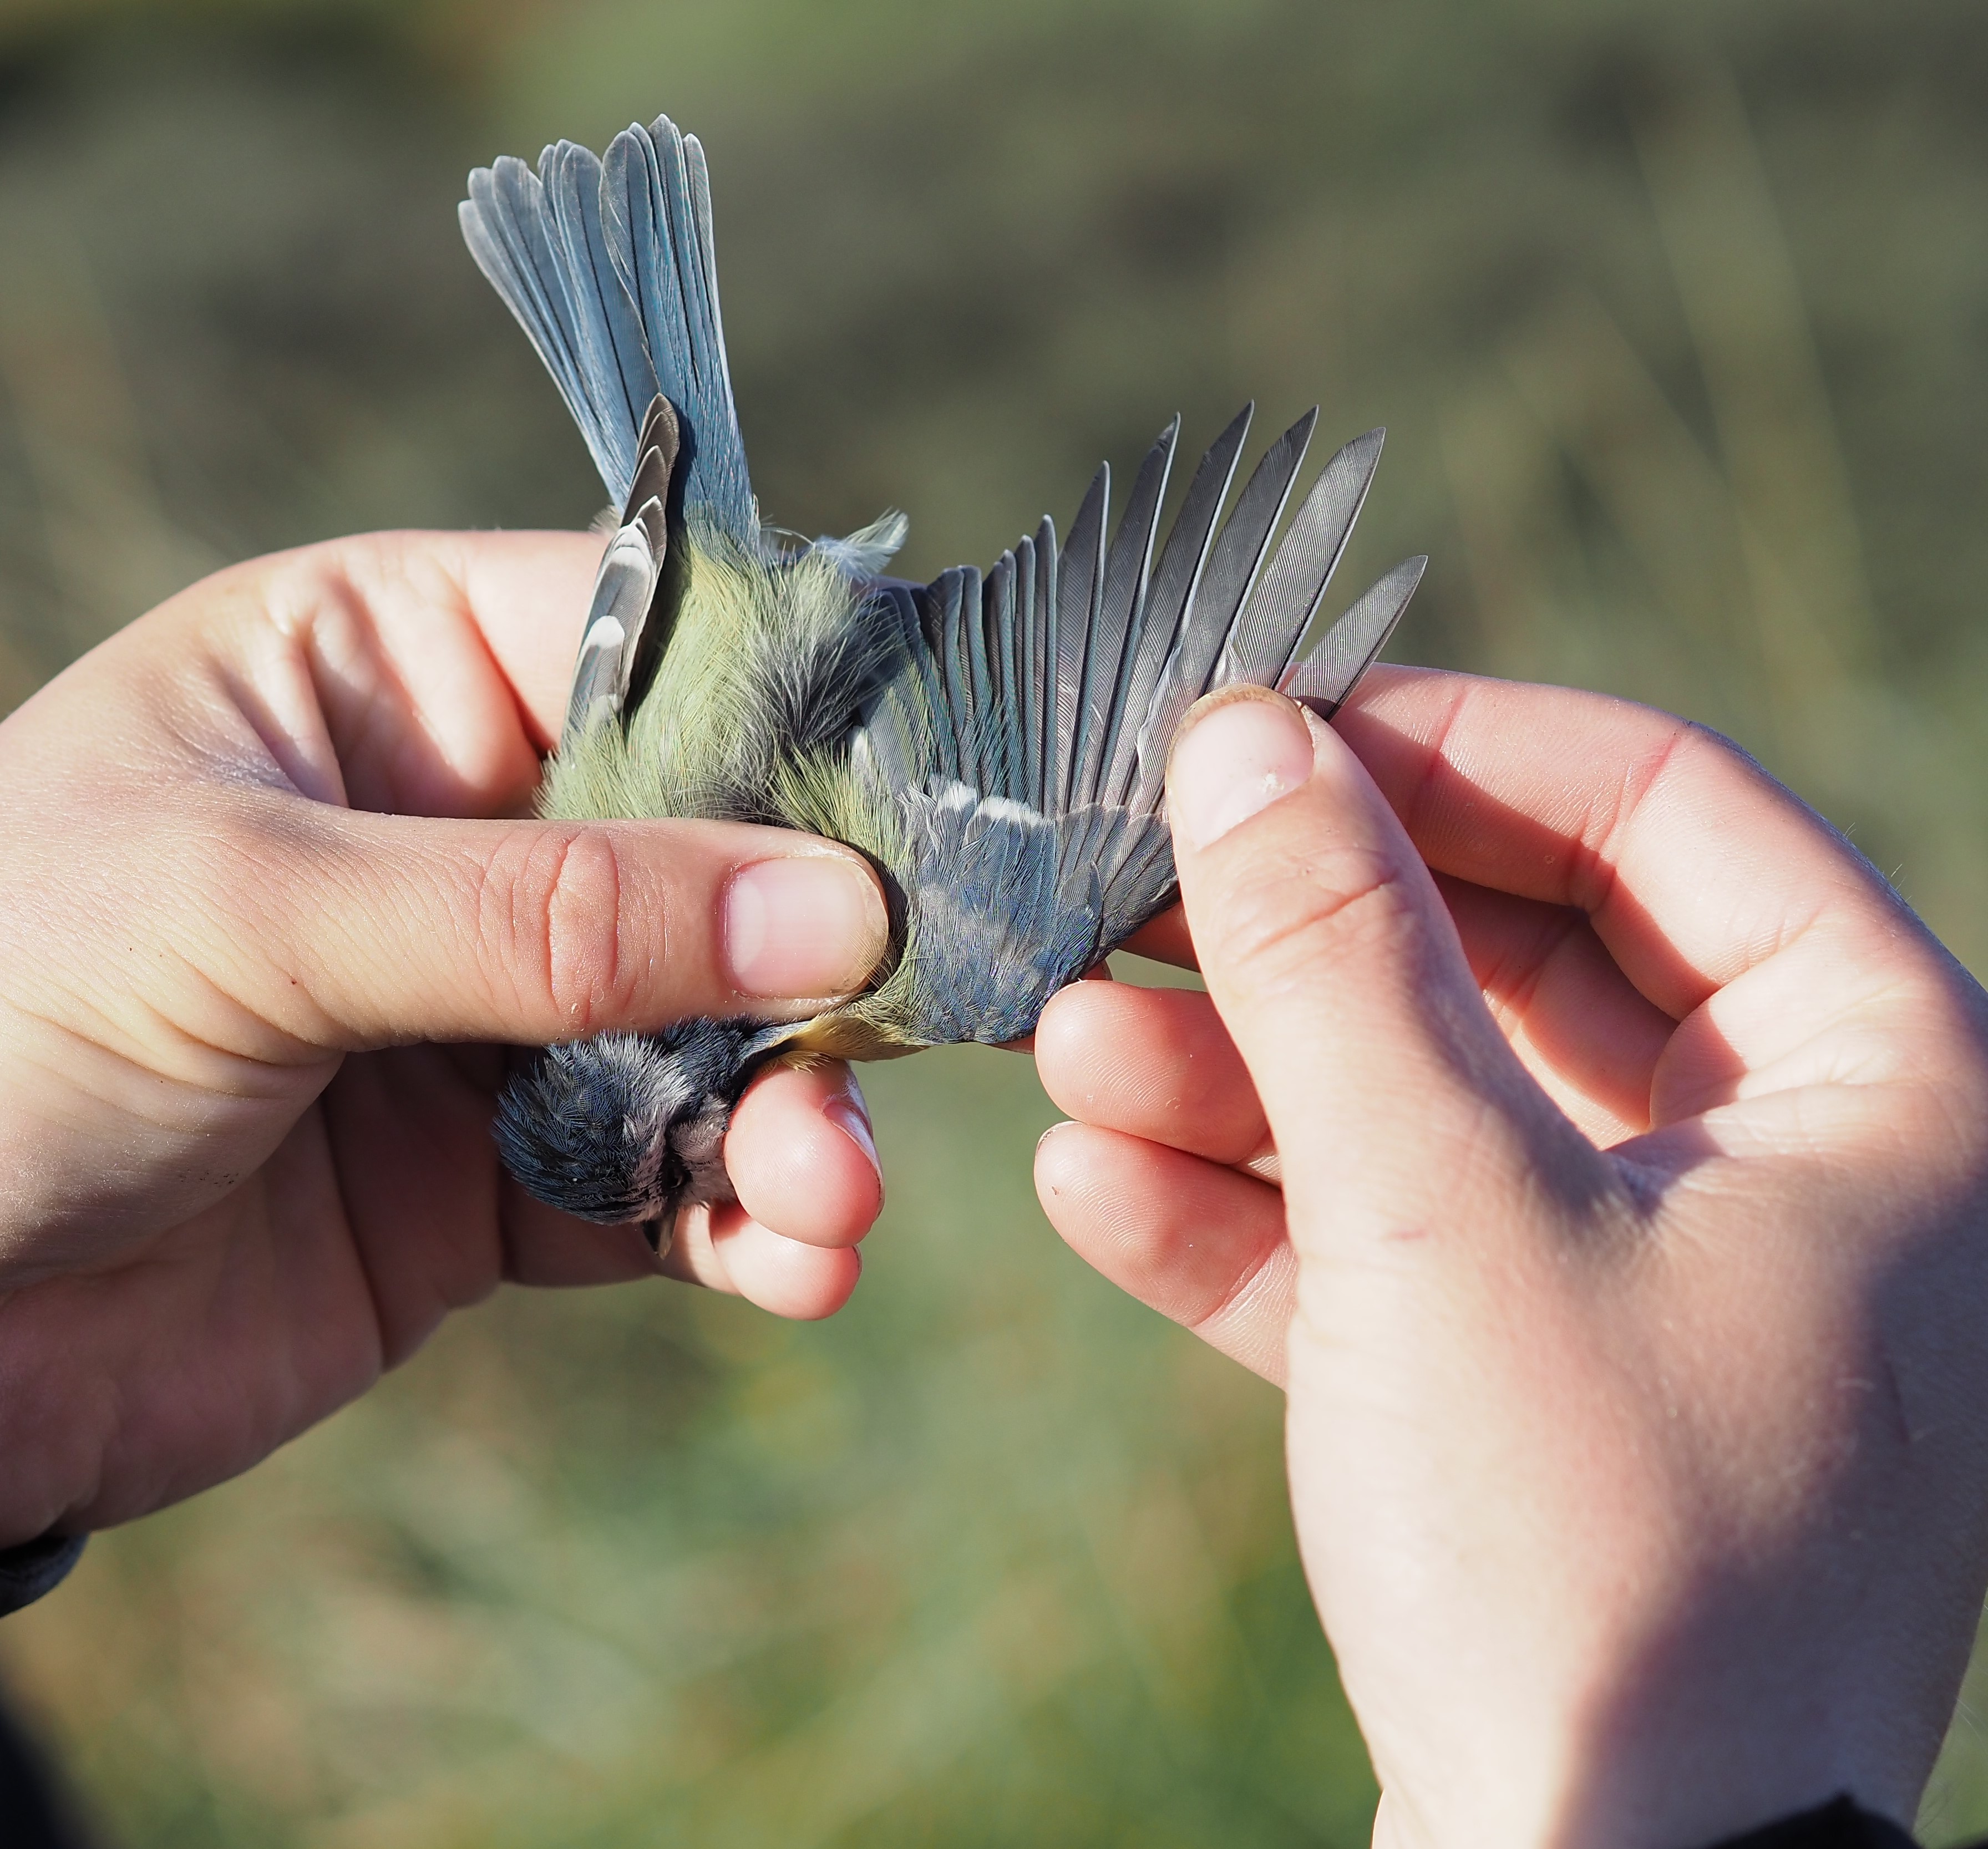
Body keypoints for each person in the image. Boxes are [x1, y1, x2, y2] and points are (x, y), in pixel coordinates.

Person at [0, 529, 1982, 1849]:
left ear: (635, 1057)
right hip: (708, 661)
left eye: (680, 1143)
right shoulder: (752, 1011)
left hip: (753, 675)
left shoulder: (842, 969)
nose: (716, 1165)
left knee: (985, 969)